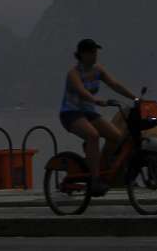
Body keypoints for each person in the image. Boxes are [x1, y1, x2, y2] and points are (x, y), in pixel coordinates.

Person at [58, 38, 137, 196]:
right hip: (71, 113)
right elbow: (81, 91)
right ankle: (94, 180)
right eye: (91, 52)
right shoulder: (73, 74)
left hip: (89, 112)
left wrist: (135, 98)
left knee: (117, 137)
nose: (95, 55)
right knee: (93, 135)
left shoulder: (98, 69)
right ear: (81, 54)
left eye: (95, 52)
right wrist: (95, 100)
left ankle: (100, 165)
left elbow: (114, 84)